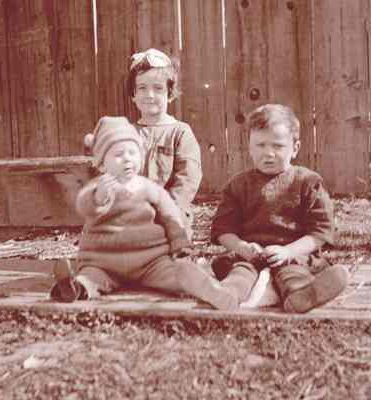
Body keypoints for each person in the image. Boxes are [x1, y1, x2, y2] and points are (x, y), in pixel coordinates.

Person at [49, 116, 238, 311]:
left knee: (176, 274)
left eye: (132, 152)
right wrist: (99, 198)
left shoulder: (149, 188)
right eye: (118, 154)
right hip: (104, 261)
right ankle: (74, 288)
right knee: (91, 277)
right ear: (102, 164)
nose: (127, 158)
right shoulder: (98, 187)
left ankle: (208, 287)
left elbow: (171, 217)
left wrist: (180, 245)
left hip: (150, 260)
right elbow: (84, 207)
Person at [210, 104, 349, 313]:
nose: (269, 153)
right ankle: (226, 294)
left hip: (292, 254)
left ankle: (301, 297)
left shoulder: (308, 182)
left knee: (294, 275)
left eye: (278, 146)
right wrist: (242, 247)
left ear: (295, 148)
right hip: (250, 256)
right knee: (240, 275)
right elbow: (223, 230)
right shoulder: (237, 185)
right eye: (260, 145)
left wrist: (288, 251)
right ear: (249, 147)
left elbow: (320, 233)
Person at [127, 48, 202, 237]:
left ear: (170, 93)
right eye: (142, 88)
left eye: (158, 88)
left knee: (172, 233)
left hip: (170, 210)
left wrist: (167, 208)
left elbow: (187, 178)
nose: (149, 94)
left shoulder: (180, 132)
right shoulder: (127, 133)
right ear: (133, 94)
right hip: (133, 210)